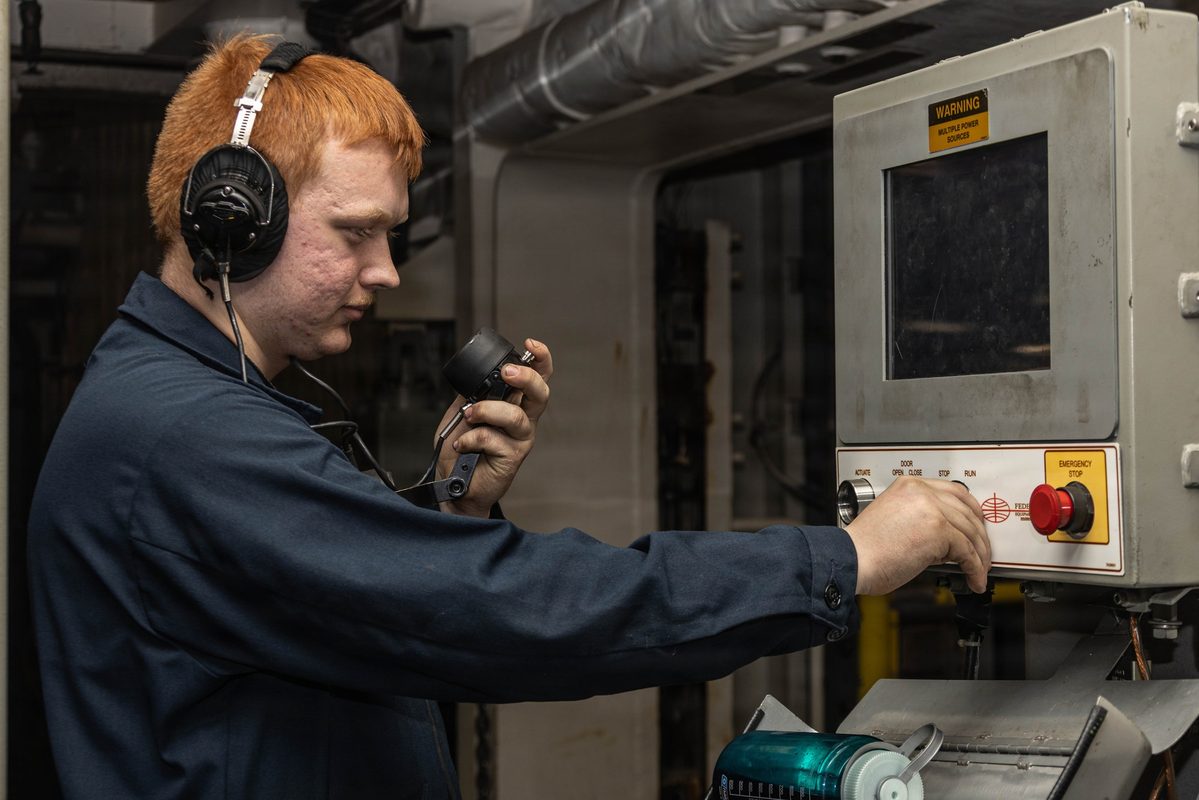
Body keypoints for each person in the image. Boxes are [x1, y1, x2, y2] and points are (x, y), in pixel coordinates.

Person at [27, 35, 991, 800]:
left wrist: (448, 522)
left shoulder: (182, 401)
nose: (385, 273)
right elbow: (505, 614)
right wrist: (841, 561)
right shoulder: (183, 437)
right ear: (229, 218)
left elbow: (350, 623)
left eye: (391, 236)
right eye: (354, 232)